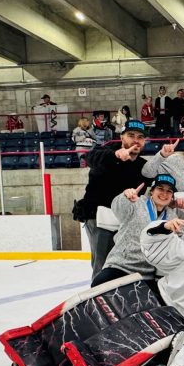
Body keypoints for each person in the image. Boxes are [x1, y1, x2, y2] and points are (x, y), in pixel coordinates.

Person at [72, 119, 149, 278]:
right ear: (122, 137)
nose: (136, 140)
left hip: (126, 222)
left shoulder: (143, 166)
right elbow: (90, 157)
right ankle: (98, 293)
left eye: (140, 137)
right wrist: (116, 155)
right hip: (99, 219)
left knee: (125, 265)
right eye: (131, 135)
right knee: (102, 266)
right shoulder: (106, 152)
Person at [92, 174, 182, 290]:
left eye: (169, 191)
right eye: (160, 189)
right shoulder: (136, 203)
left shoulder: (172, 216)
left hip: (147, 275)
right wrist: (125, 196)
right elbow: (118, 207)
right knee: (98, 285)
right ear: (152, 191)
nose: (164, 194)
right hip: (121, 266)